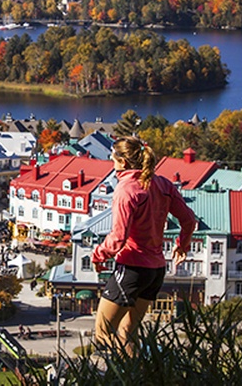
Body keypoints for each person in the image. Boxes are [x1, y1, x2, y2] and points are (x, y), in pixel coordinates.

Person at [91, 136, 197, 355]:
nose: (112, 164)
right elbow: (189, 220)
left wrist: (98, 255)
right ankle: (139, 372)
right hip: (155, 270)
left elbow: (119, 237)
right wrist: (182, 246)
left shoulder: (126, 189)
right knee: (128, 331)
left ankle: (128, 373)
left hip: (131, 268)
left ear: (124, 163)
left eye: (113, 159)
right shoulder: (163, 184)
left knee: (102, 333)